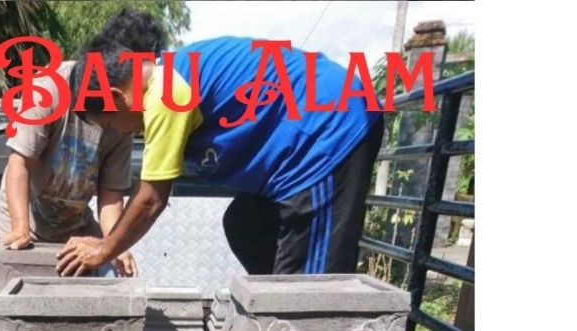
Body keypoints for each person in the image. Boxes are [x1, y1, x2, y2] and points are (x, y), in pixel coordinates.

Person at [55, 37, 384, 277]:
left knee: (310, 292)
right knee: (245, 225)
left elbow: (151, 198)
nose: (120, 132)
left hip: (330, 131)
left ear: (116, 97)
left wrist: (105, 248)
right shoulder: (169, 78)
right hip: (307, 142)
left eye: (110, 123)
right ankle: (275, 316)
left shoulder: (166, 93)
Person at [0, 8, 167, 275]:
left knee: (104, 289)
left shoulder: (126, 115)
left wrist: (115, 246)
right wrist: (20, 228)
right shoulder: (48, 88)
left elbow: (110, 194)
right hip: (23, 223)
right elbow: (20, 162)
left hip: (77, 232)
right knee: (10, 296)